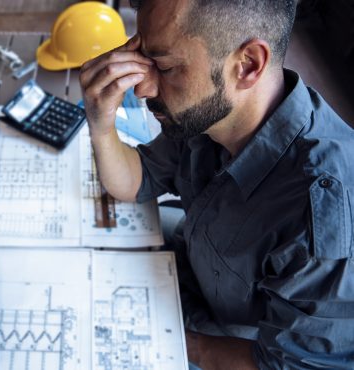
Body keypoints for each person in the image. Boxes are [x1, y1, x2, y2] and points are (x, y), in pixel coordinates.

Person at [79, 0, 354, 369]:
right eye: (141, 57)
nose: (142, 88)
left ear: (247, 65)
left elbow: (285, 364)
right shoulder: (206, 114)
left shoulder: (324, 218)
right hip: (194, 272)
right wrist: (101, 123)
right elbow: (138, 179)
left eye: (163, 66)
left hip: (232, 342)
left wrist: (166, 334)